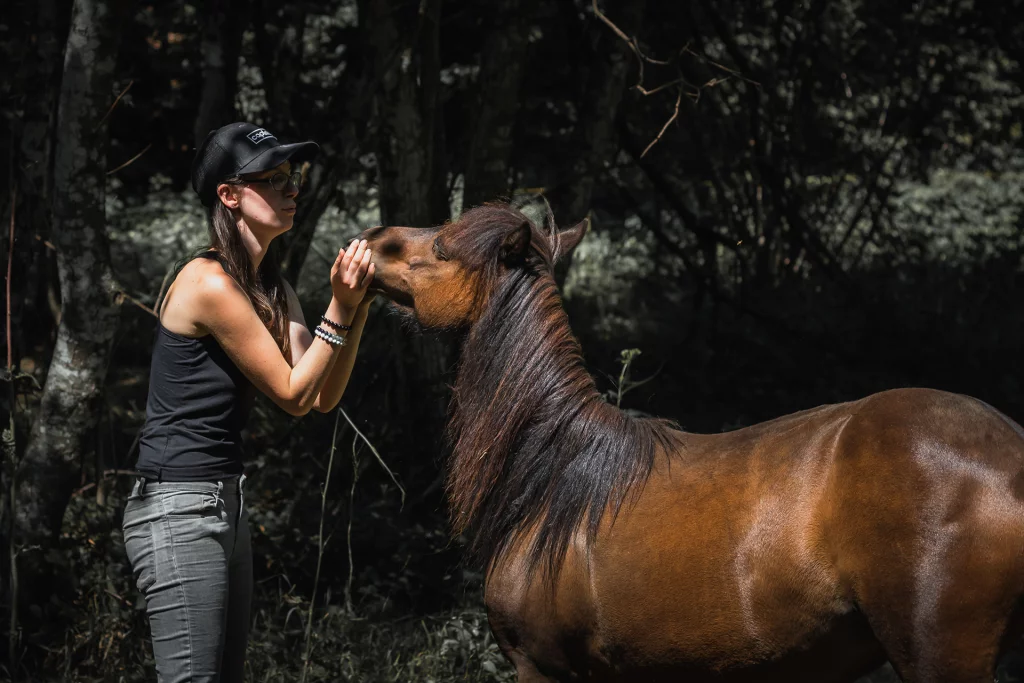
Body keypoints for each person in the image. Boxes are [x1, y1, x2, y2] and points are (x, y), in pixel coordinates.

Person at [122, 122, 374, 682]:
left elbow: (321, 395)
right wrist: (338, 307)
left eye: (292, 176)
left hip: (223, 503)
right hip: (179, 507)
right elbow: (292, 395)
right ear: (230, 195)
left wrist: (356, 308)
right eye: (274, 178)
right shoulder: (208, 283)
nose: (292, 188)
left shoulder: (272, 288)